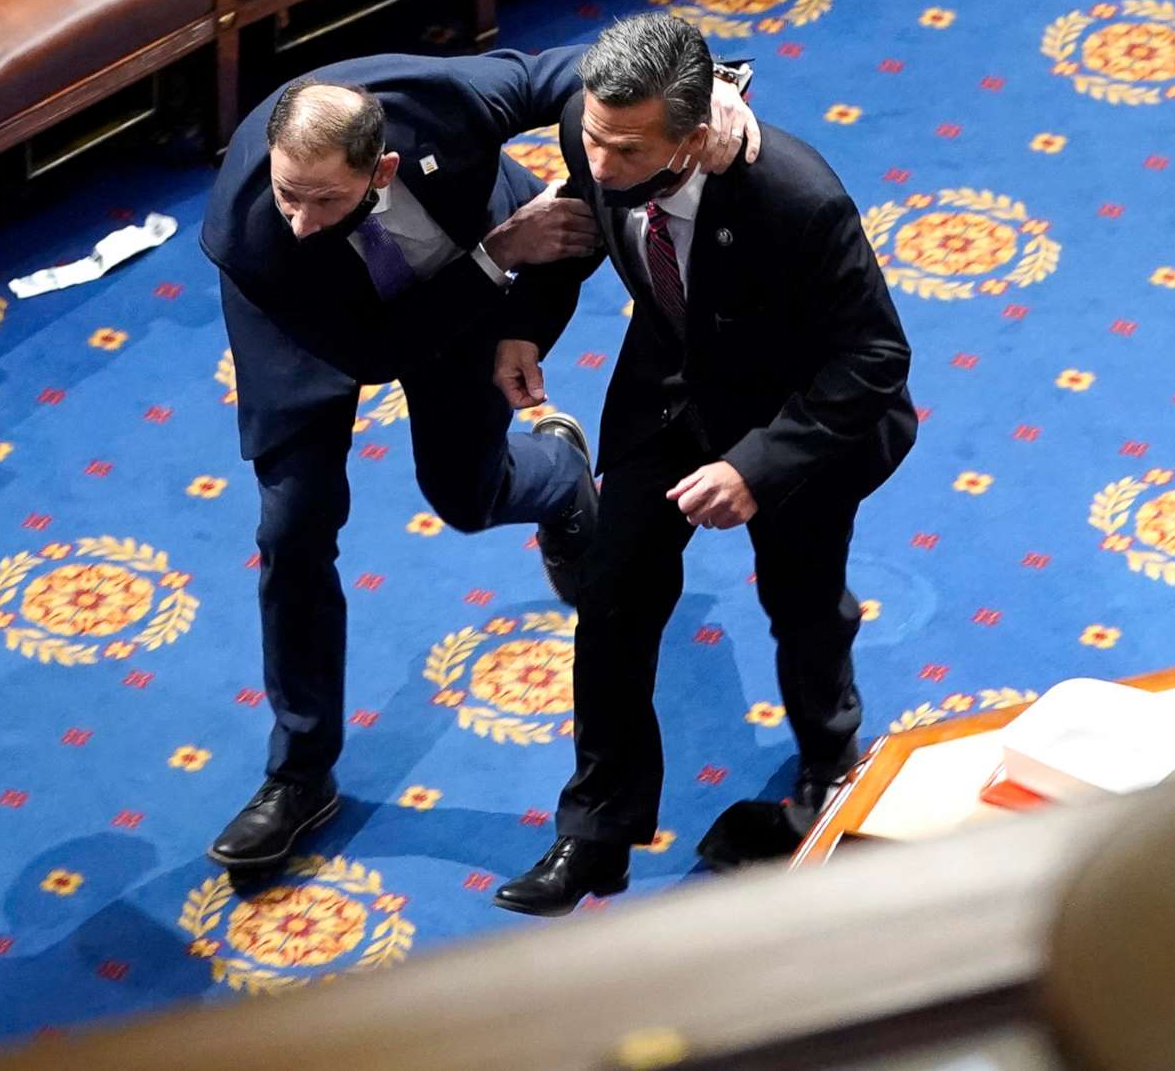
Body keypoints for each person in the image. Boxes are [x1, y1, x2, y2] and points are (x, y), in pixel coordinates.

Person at [196, 49, 760, 875]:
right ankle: (299, 772)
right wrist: (498, 255)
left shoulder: (435, 104)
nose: (301, 216)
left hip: (458, 272)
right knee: (294, 525)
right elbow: (376, 350)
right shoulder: (260, 231)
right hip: (310, 325)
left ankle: (561, 478)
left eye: (323, 197)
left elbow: (564, 73)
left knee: (464, 492)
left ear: (383, 164)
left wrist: (695, 94)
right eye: (290, 192)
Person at [493, 12, 915, 917]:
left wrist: (756, 466)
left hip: (794, 418)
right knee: (611, 595)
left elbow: (874, 358)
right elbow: (580, 219)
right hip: (671, 389)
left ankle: (831, 768)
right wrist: (527, 319)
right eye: (594, 137)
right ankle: (597, 831)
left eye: (627, 147)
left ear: (693, 136)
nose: (600, 160)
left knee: (802, 605)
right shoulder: (598, 128)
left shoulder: (797, 196)